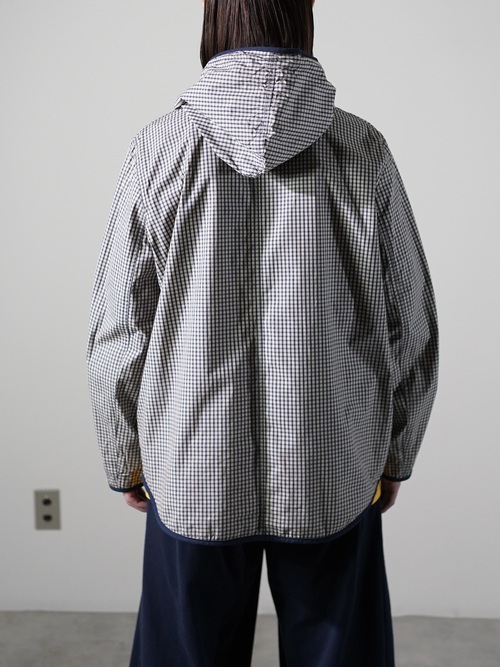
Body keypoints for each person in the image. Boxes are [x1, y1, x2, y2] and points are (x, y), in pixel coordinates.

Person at [87, 0, 438, 665]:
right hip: (333, 464)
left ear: (215, 19)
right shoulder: (362, 147)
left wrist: (123, 454)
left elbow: (118, 327)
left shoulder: (159, 148)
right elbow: (410, 318)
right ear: (303, 17)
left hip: (192, 466)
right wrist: (396, 451)